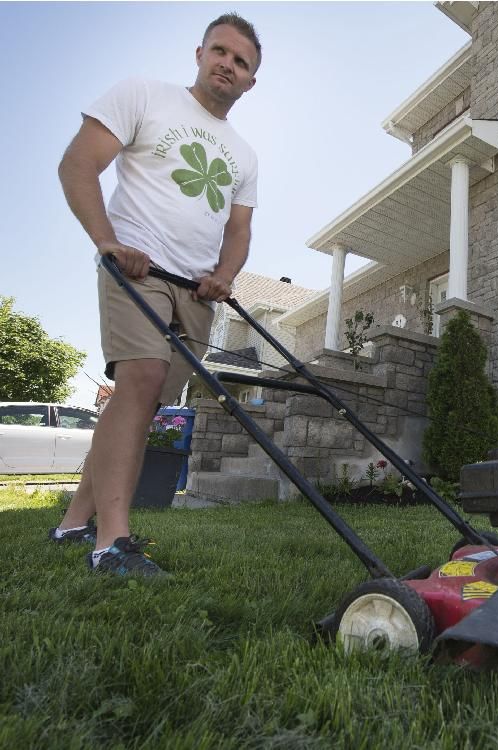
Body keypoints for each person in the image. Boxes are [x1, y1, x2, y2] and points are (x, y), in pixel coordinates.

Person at [50, 14, 261, 576]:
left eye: (241, 61)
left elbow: (238, 230)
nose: (227, 64)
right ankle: (112, 543)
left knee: (140, 407)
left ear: (250, 81)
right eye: (220, 51)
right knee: (138, 381)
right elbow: (78, 165)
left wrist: (225, 274)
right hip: (137, 268)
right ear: (199, 53)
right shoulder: (143, 94)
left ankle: (73, 523)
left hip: (195, 290)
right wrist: (108, 242)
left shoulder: (244, 154)